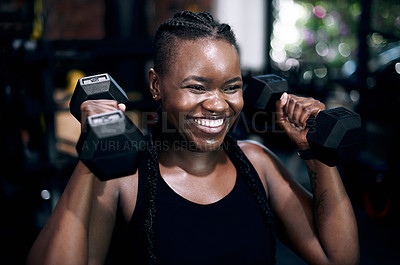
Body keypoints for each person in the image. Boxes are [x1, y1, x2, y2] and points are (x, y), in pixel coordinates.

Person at [27, 11, 359, 265]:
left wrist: (316, 152)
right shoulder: (122, 180)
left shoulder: (258, 165)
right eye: (197, 87)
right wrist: (93, 153)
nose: (218, 104)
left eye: (231, 87)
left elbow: (338, 258)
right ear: (156, 85)